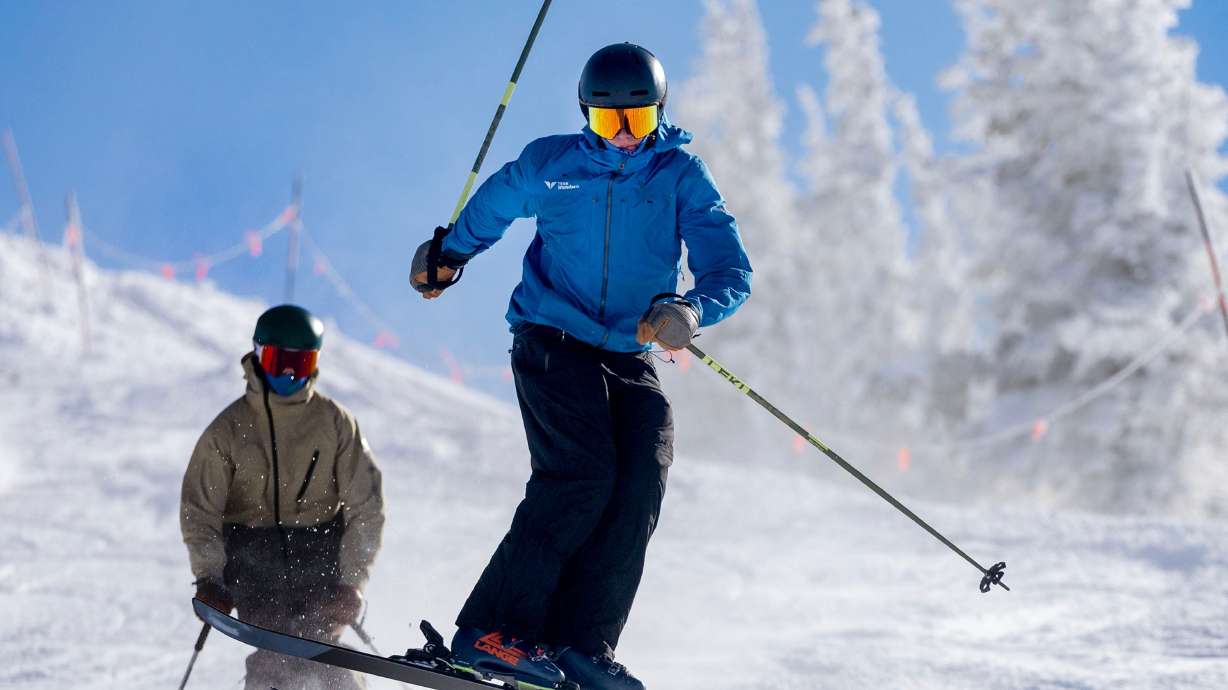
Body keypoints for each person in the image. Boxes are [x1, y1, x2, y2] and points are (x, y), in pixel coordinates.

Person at [411, 43, 752, 690]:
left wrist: (692, 310)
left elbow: (730, 268)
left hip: (629, 352)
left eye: (638, 121)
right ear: (585, 115)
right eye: (607, 122)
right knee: (581, 475)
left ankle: (580, 648)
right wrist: (448, 254)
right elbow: (495, 202)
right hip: (552, 337)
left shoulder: (680, 175)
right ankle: (494, 631)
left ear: (660, 113)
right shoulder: (554, 164)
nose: (623, 137)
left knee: (638, 485)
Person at [181, 304, 385, 690]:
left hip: (319, 552)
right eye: (279, 361)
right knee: (274, 649)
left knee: (321, 648)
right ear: (258, 355)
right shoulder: (227, 430)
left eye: (301, 362)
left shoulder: (335, 423)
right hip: (253, 557)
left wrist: (351, 582)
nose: (290, 374)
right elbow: (200, 510)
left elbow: (367, 506)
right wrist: (209, 577)